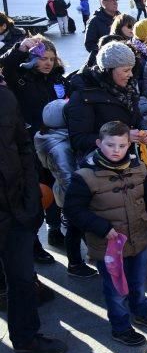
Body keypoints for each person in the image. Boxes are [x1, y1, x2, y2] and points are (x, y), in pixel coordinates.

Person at [63, 121, 147, 346]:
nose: (116, 150)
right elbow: (73, 210)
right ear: (99, 143)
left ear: (129, 145)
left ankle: (140, 310)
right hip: (108, 246)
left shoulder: (139, 168)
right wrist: (101, 227)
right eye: (110, 145)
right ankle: (120, 326)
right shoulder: (85, 176)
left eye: (122, 145)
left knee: (138, 282)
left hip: (137, 239)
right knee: (115, 289)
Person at [0, 84, 67, 353]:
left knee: (22, 278)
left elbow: (23, 145)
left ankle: (26, 336)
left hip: (15, 208)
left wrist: (30, 196)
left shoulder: (4, 96)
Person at [34, 99, 97, 277]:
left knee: (75, 228)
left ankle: (86, 259)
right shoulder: (59, 147)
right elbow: (67, 176)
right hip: (72, 193)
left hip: (68, 190)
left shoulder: (55, 136)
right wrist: (80, 199)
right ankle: (76, 264)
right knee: (76, 228)